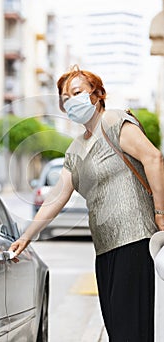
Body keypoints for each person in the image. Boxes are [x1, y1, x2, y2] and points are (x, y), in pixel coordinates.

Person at [9, 65, 164, 341]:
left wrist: (161, 214)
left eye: (77, 92)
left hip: (134, 241)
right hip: (104, 250)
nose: (71, 101)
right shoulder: (76, 149)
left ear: (97, 94)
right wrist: (27, 236)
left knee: (132, 332)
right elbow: (57, 195)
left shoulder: (114, 121)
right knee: (118, 332)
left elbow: (154, 158)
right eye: (65, 98)